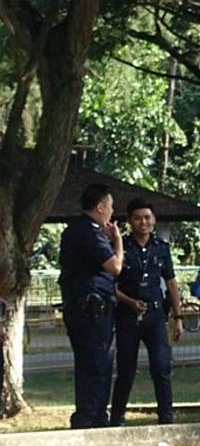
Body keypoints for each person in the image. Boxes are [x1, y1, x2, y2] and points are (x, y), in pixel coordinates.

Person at [110, 199, 183, 426]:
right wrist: (130, 302)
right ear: (130, 221)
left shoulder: (161, 248)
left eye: (147, 217)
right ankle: (117, 418)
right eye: (138, 218)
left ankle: (166, 418)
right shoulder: (121, 248)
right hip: (128, 316)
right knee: (126, 370)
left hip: (155, 316)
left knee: (161, 368)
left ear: (154, 220)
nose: (144, 222)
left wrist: (178, 318)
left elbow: (171, 283)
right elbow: (111, 286)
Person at [58, 183, 123, 429]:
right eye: (110, 205)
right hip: (92, 309)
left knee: (91, 363)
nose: (112, 211)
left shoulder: (75, 230)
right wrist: (117, 241)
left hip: (81, 307)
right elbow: (115, 267)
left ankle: (92, 414)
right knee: (98, 364)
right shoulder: (90, 232)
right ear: (100, 206)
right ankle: (92, 417)